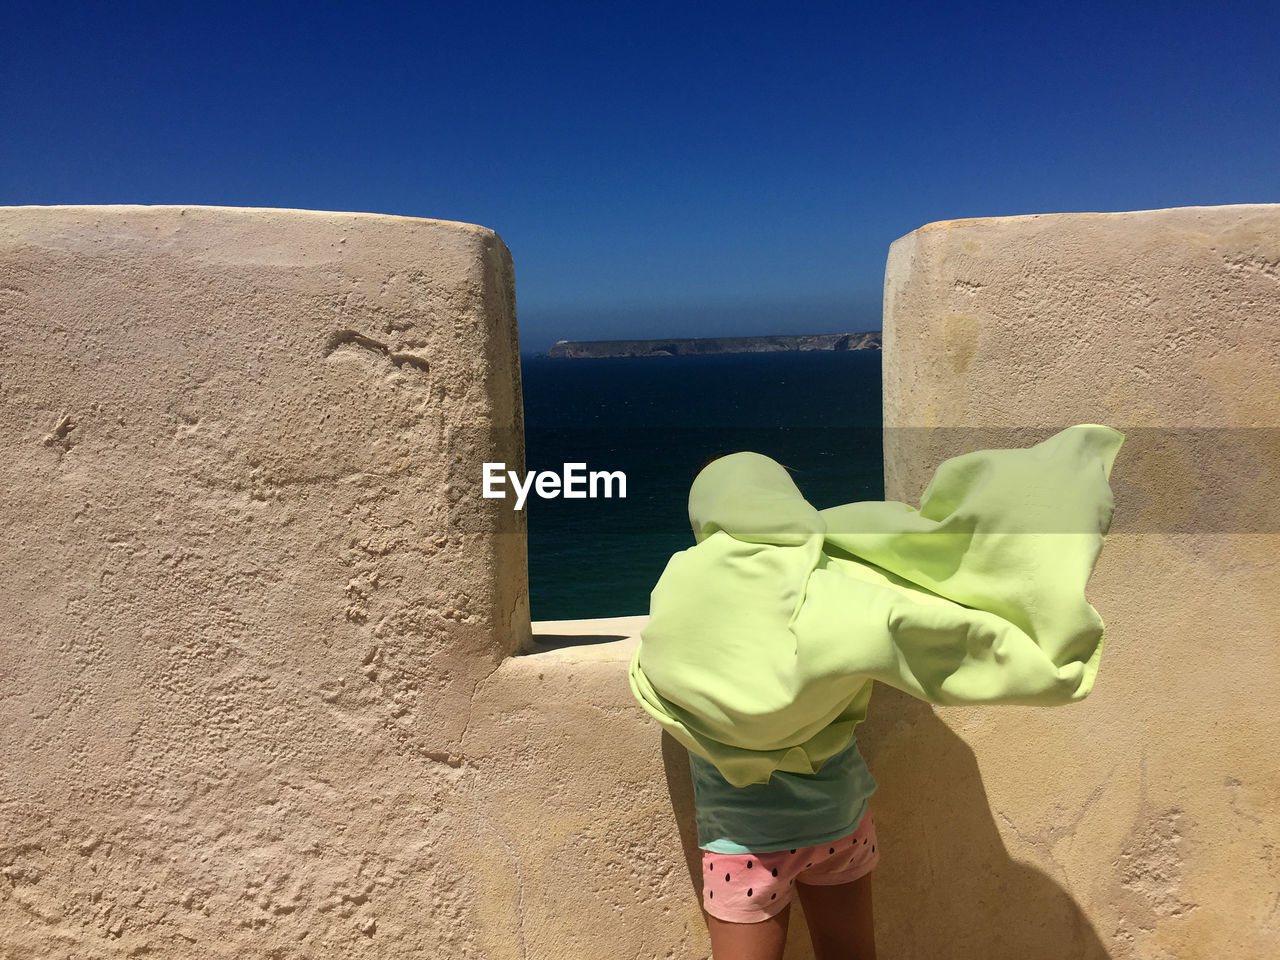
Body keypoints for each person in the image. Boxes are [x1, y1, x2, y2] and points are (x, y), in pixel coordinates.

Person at [628, 424, 1125, 960]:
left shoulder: (684, 585)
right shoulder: (831, 575)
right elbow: (898, 616)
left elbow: (657, 669)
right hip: (840, 824)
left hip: (742, 843)